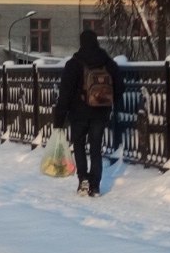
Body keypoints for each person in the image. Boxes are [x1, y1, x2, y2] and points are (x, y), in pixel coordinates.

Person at [52, 28, 124, 197]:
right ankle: (96, 185)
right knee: (96, 147)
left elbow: (65, 92)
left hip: (78, 113)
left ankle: (83, 179)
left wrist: (59, 118)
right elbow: (120, 86)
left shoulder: (74, 63)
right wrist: (109, 103)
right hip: (100, 112)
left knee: (79, 145)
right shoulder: (107, 62)